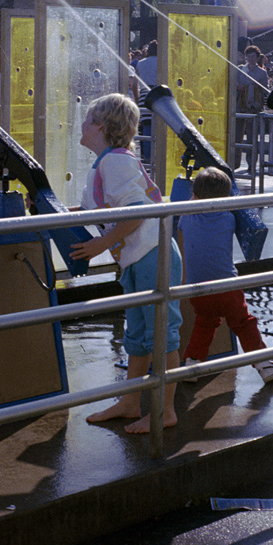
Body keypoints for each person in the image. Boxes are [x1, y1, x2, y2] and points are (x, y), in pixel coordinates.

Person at [70, 93, 183, 433]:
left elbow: (135, 211)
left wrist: (100, 244)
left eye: (88, 119)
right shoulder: (108, 161)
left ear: (101, 126)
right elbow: (105, 209)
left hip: (151, 254)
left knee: (162, 334)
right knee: (137, 333)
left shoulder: (115, 162)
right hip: (138, 256)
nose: (83, 124)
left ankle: (165, 411)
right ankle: (132, 402)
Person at [178, 167, 273, 383]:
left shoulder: (185, 217)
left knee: (204, 324)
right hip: (227, 287)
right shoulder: (228, 218)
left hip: (198, 290)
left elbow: (185, 219)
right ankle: (264, 364)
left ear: (195, 195)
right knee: (244, 323)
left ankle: (191, 364)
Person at [235, 44, 269, 170]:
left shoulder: (262, 73)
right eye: (248, 56)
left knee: (252, 137)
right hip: (239, 106)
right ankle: (234, 163)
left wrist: (252, 88)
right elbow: (232, 84)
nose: (250, 59)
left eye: (253, 56)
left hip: (254, 107)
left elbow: (265, 90)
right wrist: (237, 86)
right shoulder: (239, 69)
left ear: (257, 57)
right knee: (236, 136)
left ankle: (251, 164)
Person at [135, 40, 158, 161]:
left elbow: (135, 84)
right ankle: (157, 157)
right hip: (159, 95)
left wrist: (137, 98)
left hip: (144, 94)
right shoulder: (163, 63)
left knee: (146, 126)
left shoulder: (140, 63)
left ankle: (147, 156)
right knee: (160, 127)